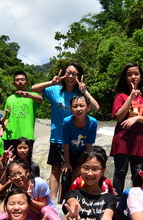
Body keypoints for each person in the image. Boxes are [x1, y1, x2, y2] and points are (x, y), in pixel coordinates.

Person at [31, 62, 100, 203]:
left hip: (77, 139)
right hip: (57, 137)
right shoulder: (55, 90)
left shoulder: (80, 93)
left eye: (74, 74)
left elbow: (95, 108)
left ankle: (70, 198)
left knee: (76, 170)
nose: (70, 76)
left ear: (79, 77)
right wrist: (51, 81)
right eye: (68, 73)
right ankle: (52, 201)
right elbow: (33, 88)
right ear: (64, 74)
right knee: (56, 170)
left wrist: (85, 91)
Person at [110, 63, 143, 197]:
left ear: (141, 77)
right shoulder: (120, 97)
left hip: (139, 141)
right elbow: (118, 117)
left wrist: (137, 119)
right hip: (122, 140)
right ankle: (117, 202)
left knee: (138, 173)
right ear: (125, 78)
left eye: (136, 74)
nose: (133, 77)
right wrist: (130, 97)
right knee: (120, 172)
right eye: (129, 74)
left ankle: (137, 201)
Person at [0, 159, 68, 220]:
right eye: (13, 175)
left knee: (45, 210)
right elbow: (4, 211)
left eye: (19, 173)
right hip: (29, 215)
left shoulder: (39, 183)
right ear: (10, 178)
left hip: (45, 214)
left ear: (27, 172)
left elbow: (42, 206)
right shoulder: (15, 190)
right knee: (11, 212)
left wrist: (29, 200)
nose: (17, 177)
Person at [62, 92, 98, 193]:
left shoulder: (92, 122)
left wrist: (87, 162)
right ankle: (70, 193)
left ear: (88, 107)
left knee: (82, 170)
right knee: (69, 171)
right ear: (71, 108)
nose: (78, 109)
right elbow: (66, 143)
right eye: (75, 106)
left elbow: (89, 145)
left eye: (82, 106)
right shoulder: (66, 121)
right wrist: (67, 162)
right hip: (69, 151)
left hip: (83, 152)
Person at [2, 71, 42, 150]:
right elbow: (6, 118)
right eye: (17, 80)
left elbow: (40, 100)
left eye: (22, 79)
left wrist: (29, 95)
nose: (20, 82)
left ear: (27, 82)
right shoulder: (10, 98)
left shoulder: (32, 96)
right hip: (9, 136)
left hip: (26, 136)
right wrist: (2, 131)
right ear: (14, 83)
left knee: (25, 161)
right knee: (9, 161)